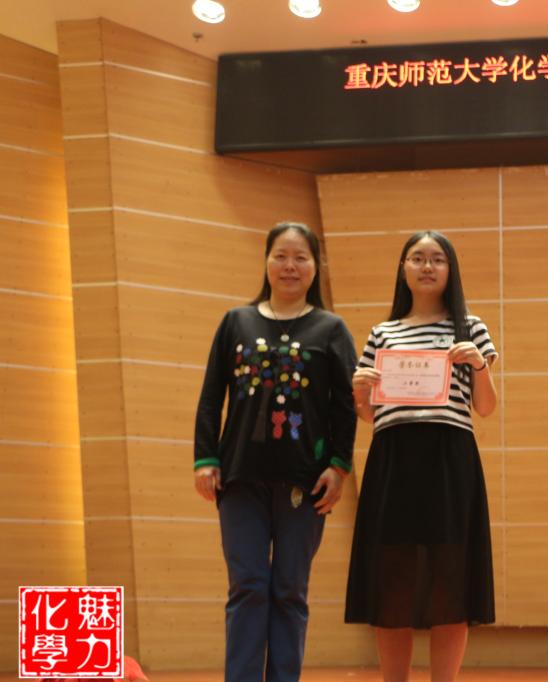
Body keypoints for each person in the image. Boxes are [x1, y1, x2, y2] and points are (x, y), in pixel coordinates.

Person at [193, 221, 357, 682]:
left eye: (301, 257)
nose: (290, 266)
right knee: (247, 586)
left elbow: (346, 405)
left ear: (316, 266)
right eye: (280, 256)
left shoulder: (331, 329)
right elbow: (211, 397)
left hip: (305, 481)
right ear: (266, 261)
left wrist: (339, 466)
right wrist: (205, 459)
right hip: (239, 477)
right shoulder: (236, 322)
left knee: (289, 590)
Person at [345, 230, 497, 682]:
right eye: (417, 258)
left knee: (451, 577)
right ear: (403, 269)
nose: (427, 266)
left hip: (450, 459)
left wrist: (479, 364)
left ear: (451, 269)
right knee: (392, 578)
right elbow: (370, 415)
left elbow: (485, 407)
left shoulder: (470, 328)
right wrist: (359, 392)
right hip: (393, 460)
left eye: (437, 259)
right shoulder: (382, 333)